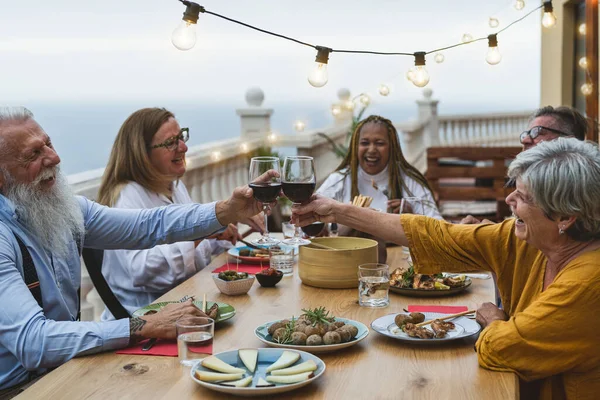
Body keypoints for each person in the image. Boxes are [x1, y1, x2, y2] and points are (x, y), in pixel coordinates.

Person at [293, 138, 600, 400]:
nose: (508, 200)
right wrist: (336, 210)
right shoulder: (526, 240)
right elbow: (439, 236)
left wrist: (495, 321)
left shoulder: (588, 283)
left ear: (564, 218)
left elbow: (501, 349)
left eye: (522, 197)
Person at [0, 107, 269, 393]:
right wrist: (140, 326)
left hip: (70, 365)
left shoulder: (66, 208)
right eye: (33, 155)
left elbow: (149, 225)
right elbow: (33, 342)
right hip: (22, 388)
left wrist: (226, 210)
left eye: (49, 144)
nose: (54, 158)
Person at [96, 108, 261, 320]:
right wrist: (204, 231)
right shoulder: (125, 198)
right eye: (170, 142)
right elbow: (142, 270)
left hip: (185, 308)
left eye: (181, 137)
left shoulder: (174, 187)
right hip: (144, 322)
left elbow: (190, 253)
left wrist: (217, 235)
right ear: (142, 154)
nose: (183, 147)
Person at [317, 115, 441, 260]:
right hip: (345, 260)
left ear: (392, 147)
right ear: (355, 146)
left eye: (379, 143)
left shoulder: (409, 181)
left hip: (398, 261)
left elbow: (438, 227)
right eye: (364, 143)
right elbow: (308, 225)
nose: (371, 149)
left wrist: (413, 217)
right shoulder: (339, 180)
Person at [461, 105, 587, 224]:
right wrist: (485, 232)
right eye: (526, 134)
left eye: (538, 132)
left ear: (568, 141)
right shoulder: (529, 181)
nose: (525, 140)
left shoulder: (575, 191)